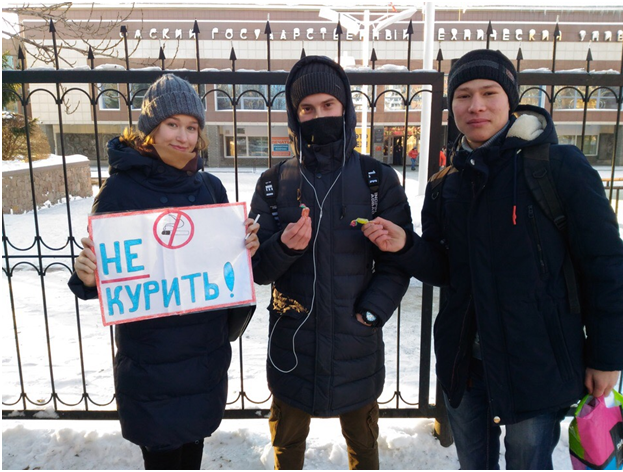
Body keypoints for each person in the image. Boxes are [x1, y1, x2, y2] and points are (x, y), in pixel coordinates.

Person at [361, 49, 623, 469]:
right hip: (465, 366)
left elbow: (605, 263)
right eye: (463, 95)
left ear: (510, 99)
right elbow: (445, 269)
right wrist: (406, 246)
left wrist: (607, 357)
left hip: (535, 364)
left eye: (489, 93)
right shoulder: (445, 183)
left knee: (527, 463)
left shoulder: (557, 167)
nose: (476, 106)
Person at [68, 74, 260, 470]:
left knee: (193, 449)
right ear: (151, 129)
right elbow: (106, 273)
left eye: (192, 127)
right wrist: (88, 276)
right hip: (152, 362)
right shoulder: (119, 192)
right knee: (163, 456)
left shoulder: (211, 188)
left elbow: (222, 265)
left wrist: (244, 248)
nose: (183, 137)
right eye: (172, 124)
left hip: (203, 356)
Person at [249, 55, 412, 470]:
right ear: (294, 115)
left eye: (328, 105)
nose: (318, 116)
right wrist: (283, 248)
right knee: (287, 447)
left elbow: (397, 263)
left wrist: (372, 312)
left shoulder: (377, 179)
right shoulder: (273, 183)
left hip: (356, 344)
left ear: (345, 108)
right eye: (307, 108)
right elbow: (257, 270)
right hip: (293, 346)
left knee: (363, 447)